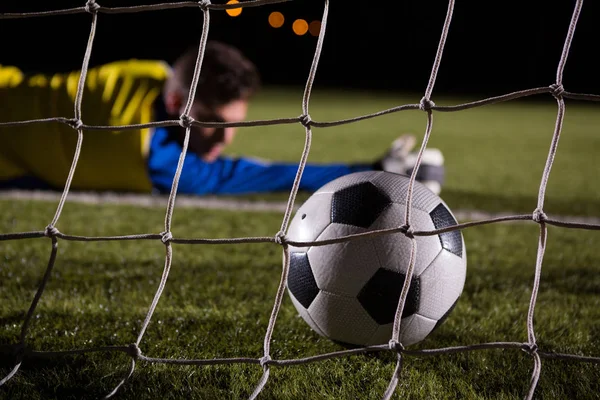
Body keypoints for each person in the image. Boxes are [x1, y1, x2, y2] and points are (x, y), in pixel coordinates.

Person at [0, 41, 445, 196]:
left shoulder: (148, 73)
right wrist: (370, 170)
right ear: (177, 105)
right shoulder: (158, 162)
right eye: (215, 121)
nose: (226, 139)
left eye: (236, 123)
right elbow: (257, 175)